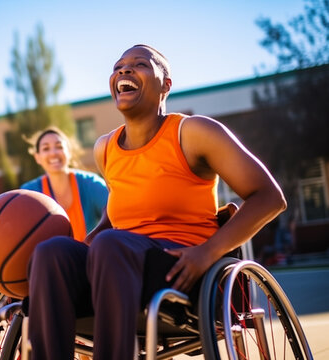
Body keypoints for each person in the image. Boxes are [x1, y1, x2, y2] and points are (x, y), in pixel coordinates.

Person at [27, 45, 287, 360]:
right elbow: (116, 216)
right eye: (118, 66)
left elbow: (269, 197)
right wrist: (86, 244)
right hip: (117, 261)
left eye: (140, 64)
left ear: (165, 85)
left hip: (182, 266)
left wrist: (207, 253)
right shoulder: (105, 148)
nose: (124, 70)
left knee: (110, 245)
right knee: (51, 252)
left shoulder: (193, 132)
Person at [21, 126, 108, 241]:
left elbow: (116, 212)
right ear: (37, 157)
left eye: (59, 147)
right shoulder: (29, 193)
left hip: (90, 254)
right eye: (46, 149)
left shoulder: (89, 183)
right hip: (52, 256)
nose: (53, 153)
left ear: (69, 152)